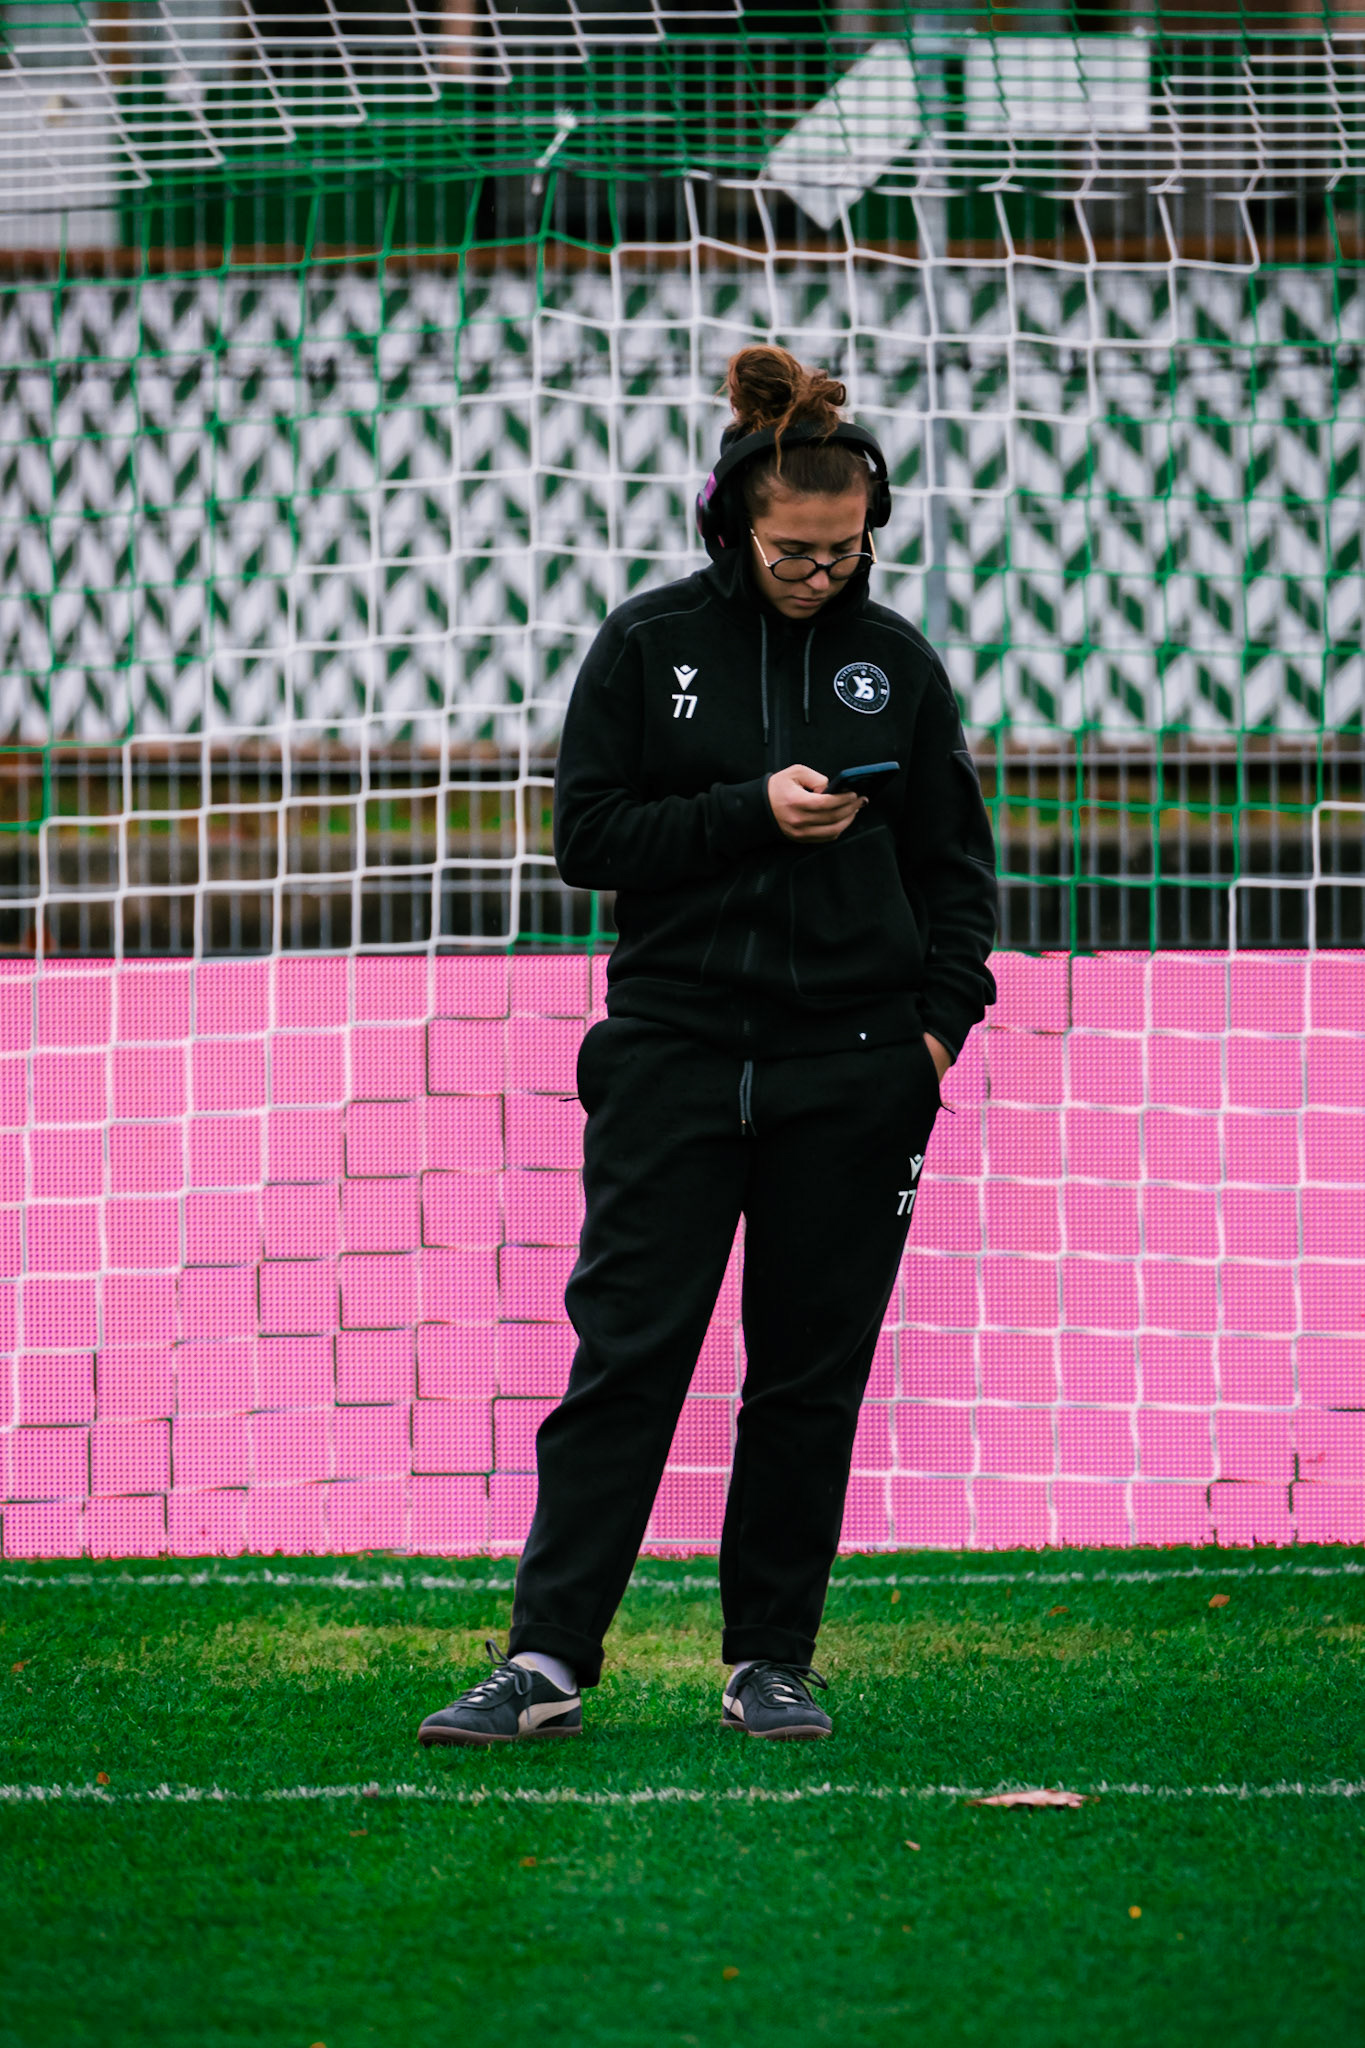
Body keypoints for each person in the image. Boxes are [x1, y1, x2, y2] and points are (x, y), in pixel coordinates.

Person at [418, 345, 997, 1747]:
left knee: (805, 1374)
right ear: (732, 525)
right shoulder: (647, 645)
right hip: (671, 1057)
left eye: (845, 552)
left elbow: (956, 874)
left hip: (851, 1073)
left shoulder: (895, 666)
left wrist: (928, 1036)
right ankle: (545, 1661)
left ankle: (769, 1663)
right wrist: (748, 809)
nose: (822, 575)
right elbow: (588, 843)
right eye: (796, 553)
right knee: (626, 1360)